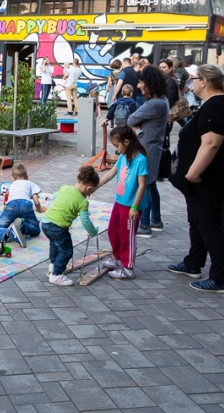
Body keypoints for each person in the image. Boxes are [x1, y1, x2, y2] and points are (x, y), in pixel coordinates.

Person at [167, 64, 224, 294]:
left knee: (210, 224)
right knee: (198, 220)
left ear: (204, 82)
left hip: (209, 178)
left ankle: (221, 278)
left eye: (194, 79)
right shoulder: (223, 103)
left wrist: (192, 173)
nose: (191, 83)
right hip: (209, 177)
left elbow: (211, 144)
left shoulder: (217, 106)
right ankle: (193, 262)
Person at [95, 125, 149, 280]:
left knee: (127, 236)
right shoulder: (123, 158)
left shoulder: (141, 160)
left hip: (131, 206)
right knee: (113, 231)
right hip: (120, 202)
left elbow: (142, 185)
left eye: (117, 146)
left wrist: (134, 207)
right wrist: (96, 186)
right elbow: (111, 173)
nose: (117, 150)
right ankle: (118, 257)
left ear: (126, 142)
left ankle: (128, 267)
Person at [128, 66, 170, 238]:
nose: (139, 86)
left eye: (142, 82)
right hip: (154, 146)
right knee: (151, 185)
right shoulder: (163, 100)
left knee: (144, 185)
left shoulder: (154, 104)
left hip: (148, 148)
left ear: (150, 83)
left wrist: (139, 125)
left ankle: (144, 224)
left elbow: (131, 119)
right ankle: (156, 220)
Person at [41, 166, 100, 287]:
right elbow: (85, 221)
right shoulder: (83, 202)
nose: (88, 196)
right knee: (67, 250)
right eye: (90, 193)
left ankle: (53, 265)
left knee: (54, 243)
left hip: (45, 222)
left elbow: (54, 197)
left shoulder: (65, 188)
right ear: (89, 188)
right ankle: (56, 275)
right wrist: (93, 232)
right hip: (58, 227)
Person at [0, 164, 42, 249]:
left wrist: (6, 207)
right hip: (26, 205)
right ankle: (22, 226)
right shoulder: (31, 184)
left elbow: (11, 198)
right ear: (27, 177)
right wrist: (39, 209)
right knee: (36, 230)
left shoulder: (12, 185)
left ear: (13, 178)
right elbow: (36, 201)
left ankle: (9, 233)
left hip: (12, 205)